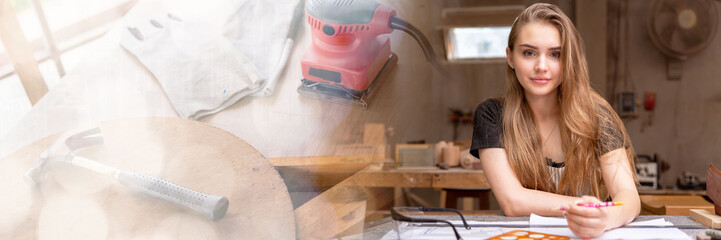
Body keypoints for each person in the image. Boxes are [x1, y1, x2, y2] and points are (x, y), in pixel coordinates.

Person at [469, 3, 639, 238]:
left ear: (569, 59)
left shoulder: (598, 114)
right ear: (510, 57)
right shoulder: (492, 114)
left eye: (555, 54)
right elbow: (512, 202)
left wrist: (606, 217)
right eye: (528, 53)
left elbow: (628, 197)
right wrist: (586, 207)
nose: (541, 66)